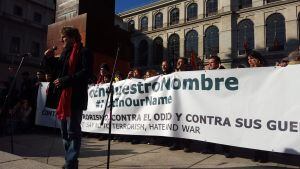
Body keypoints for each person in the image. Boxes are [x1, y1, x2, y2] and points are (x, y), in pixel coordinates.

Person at [43, 26, 93, 169]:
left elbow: (86, 72)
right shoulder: (65, 53)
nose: (61, 40)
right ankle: (71, 161)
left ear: (72, 38)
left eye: (63, 37)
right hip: (62, 98)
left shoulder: (84, 52)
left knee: (73, 131)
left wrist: (67, 80)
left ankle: (71, 162)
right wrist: (47, 59)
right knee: (64, 132)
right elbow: (57, 70)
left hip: (75, 97)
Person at [247, 51, 269, 163]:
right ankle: (256, 153)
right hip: (252, 105)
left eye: (251, 59)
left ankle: (264, 155)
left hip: (263, 105)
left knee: (262, 131)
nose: (249, 61)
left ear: (258, 59)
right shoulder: (246, 72)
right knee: (254, 131)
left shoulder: (268, 70)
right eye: (248, 59)